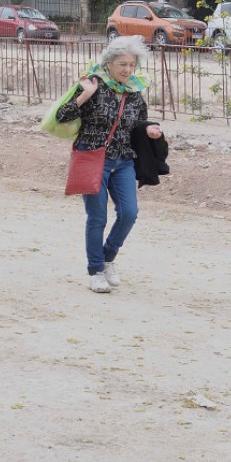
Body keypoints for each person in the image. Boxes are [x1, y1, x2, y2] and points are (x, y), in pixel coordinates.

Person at [55, 35, 163, 293]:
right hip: (93, 158)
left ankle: (107, 258)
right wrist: (85, 95)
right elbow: (62, 115)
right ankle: (95, 271)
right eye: (122, 64)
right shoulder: (93, 84)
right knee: (97, 217)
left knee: (129, 213)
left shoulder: (134, 92)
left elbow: (138, 124)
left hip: (123, 160)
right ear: (109, 64)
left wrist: (150, 130)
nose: (127, 70)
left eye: (131, 65)